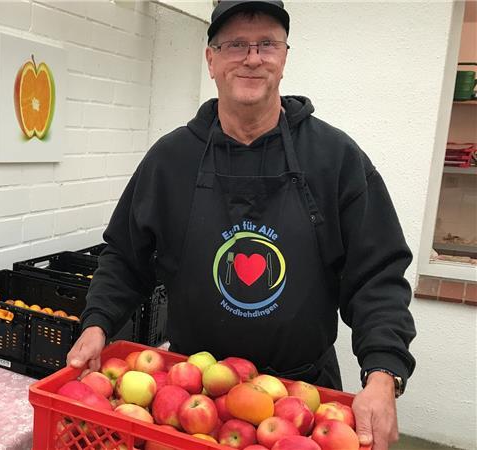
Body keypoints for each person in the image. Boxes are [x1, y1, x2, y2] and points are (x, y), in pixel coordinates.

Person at [66, 1, 416, 449]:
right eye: (235, 44)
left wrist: (384, 374)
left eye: (266, 43)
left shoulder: (336, 159)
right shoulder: (170, 161)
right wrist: (97, 324)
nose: (252, 57)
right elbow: (124, 258)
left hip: (303, 404)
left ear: (284, 57)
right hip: (191, 397)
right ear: (210, 60)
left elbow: (378, 277)